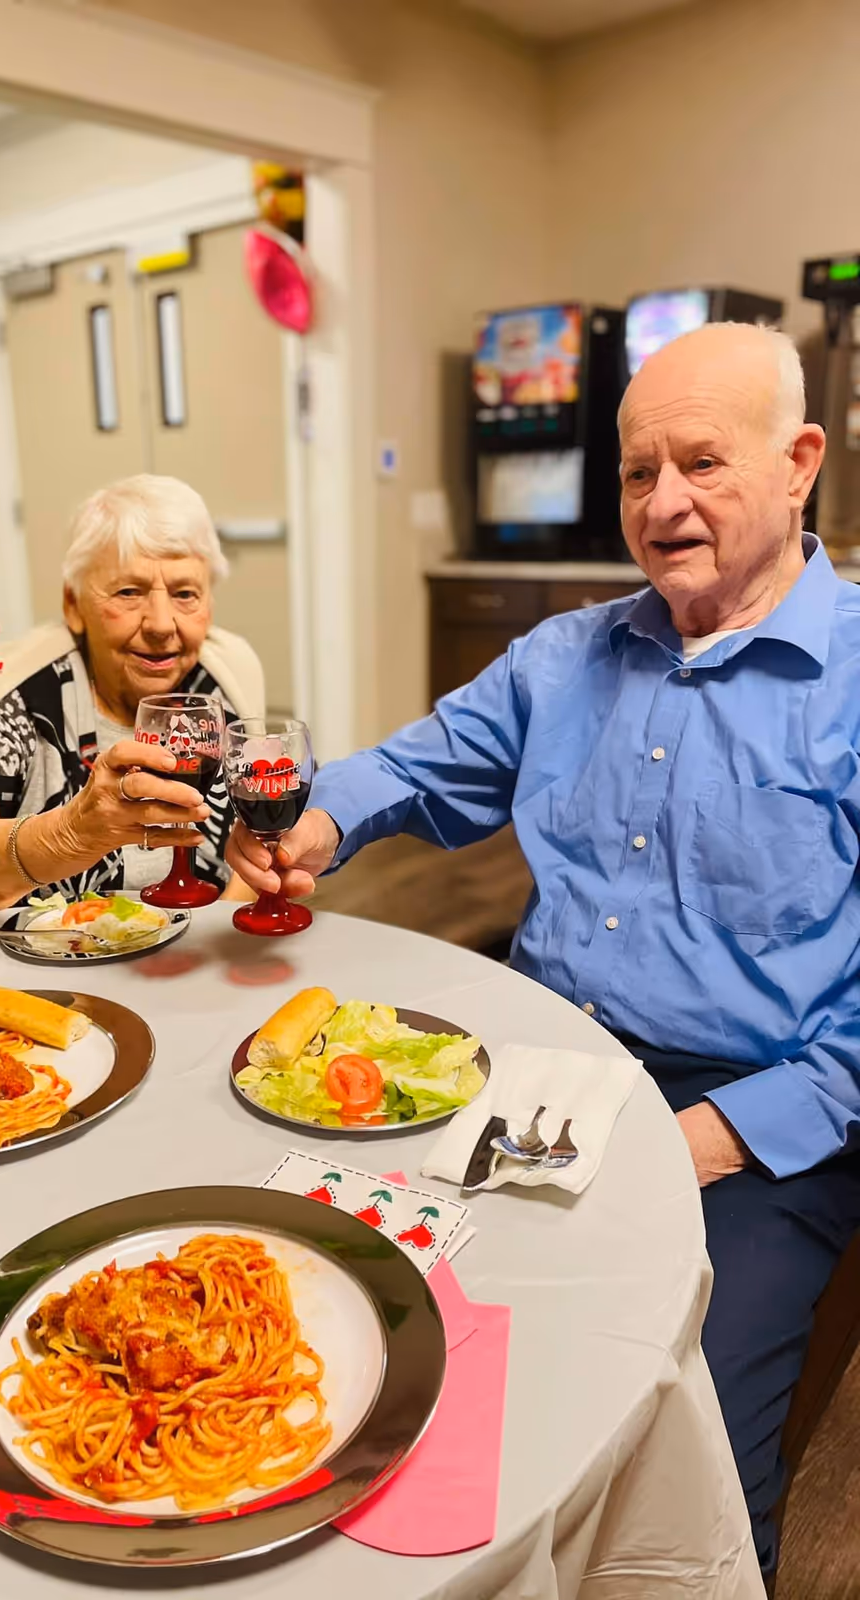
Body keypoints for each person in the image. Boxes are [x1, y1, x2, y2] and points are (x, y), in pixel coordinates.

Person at [228, 321, 860, 1576]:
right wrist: (317, 817)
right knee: (361, 1321)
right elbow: (404, 768)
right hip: (543, 1062)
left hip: (756, 1122)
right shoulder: (565, 655)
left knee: (664, 1432)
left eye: (702, 463)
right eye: (637, 473)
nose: (663, 503)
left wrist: (688, 1145)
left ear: (798, 463)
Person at [0, 474, 262, 918]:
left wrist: (221, 921)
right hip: (41, 975)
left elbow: (275, 809)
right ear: (73, 605)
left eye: (185, 593)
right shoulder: (24, 699)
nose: (162, 624)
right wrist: (70, 834)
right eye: (129, 592)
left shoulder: (220, 681)